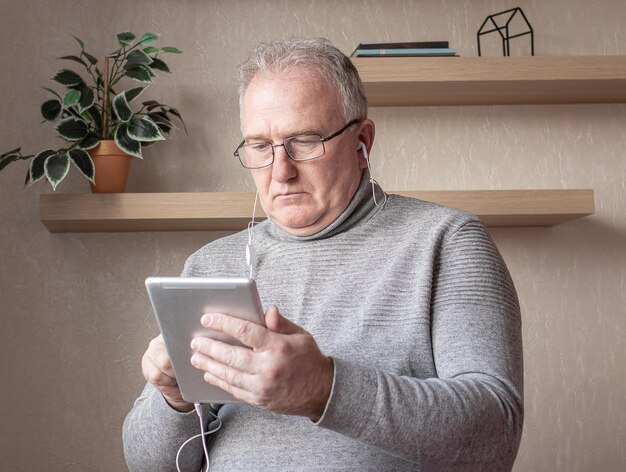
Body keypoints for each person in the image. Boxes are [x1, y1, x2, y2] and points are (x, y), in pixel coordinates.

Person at [123, 37, 523, 471]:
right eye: (260, 146)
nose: (281, 170)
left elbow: (495, 436)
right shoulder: (210, 265)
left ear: (362, 141)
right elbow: (147, 464)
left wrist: (323, 389)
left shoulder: (447, 242)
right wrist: (174, 399)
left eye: (305, 140)